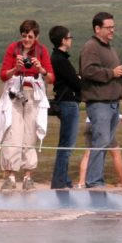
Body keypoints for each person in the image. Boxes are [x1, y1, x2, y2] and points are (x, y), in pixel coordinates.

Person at [0, 20, 53, 191]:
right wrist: (16, 68)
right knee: (12, 133)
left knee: (30, 134)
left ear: (36, 37)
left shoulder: (42, 51)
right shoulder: (12, 49)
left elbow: (51, 77)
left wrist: (41, 69)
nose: (26, 39)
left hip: (32, 95)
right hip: (15, 94)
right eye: (24, 36)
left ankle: (28, 176)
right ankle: (10, 176)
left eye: (30, 36)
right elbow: (3, 75)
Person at [79, 12, 122, 188]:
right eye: (108, 27)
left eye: (113, 27)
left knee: (104, 142)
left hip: (112, 103)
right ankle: (94, 182)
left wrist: (119, 74)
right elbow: (88, 71)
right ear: (97, 28)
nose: (112, 30)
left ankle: (96, 179)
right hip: (99, 103)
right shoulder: (91, 47)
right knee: (100, 142)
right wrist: (112, 73)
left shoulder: (109, 48)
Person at [48, 25, 81, 189]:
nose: (71, 40)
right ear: (63, 40)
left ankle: (62, 179)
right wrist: (79, 79)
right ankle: (60, 180)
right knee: (67, 145)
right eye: (69, 37)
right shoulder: (60, 60)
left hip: (65, 102)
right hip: (68, 103)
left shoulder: (57, 58)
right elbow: (76, 83)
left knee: (66, 143)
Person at [76, 117, 122, 189]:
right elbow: (107, 109)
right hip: (103, 124)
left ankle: (81, 183)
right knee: (116, 153)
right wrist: (121, 116)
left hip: (89, 122)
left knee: (88, 154)